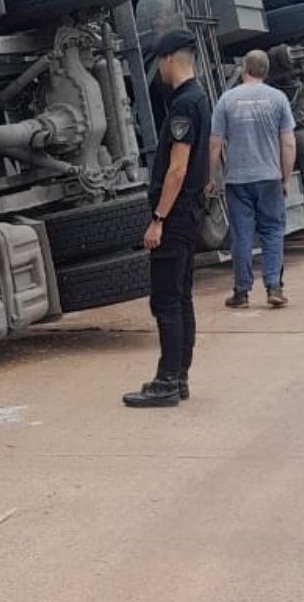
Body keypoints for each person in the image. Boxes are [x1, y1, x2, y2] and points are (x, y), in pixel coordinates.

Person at [123, 28, 210, 408]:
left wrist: (158, 217)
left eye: (159, 60)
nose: (158, 67)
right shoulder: (201, 98)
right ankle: (181, 375)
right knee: (182, 296)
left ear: (170, 58)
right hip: (190, 211)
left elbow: (177, 167)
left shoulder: (183, 104)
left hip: (174, 216)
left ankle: (167, 380)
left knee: (166, 300)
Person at [207, 50, 296, 309]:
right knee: (272, 231)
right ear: (266, 71)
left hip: (238, 180)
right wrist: (286, 178)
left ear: (244, 68)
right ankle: (274, 287)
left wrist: (211, 177)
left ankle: (241, 291)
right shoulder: (278, 99)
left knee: (242, 235)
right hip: (269, 177)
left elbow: (214, 144)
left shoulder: (227, 100)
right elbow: (288, 144)